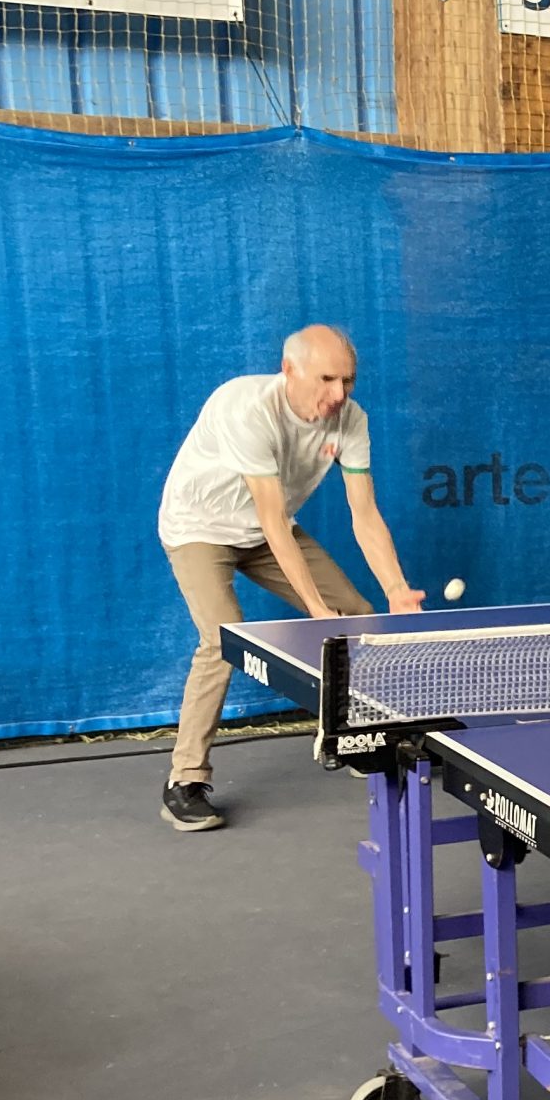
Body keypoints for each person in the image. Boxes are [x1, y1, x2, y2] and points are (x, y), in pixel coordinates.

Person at [156, 324, 423, 831]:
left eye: (347, 380)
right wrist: (316, 611)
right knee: (221, 638)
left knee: (358, 616)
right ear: (289, 371)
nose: (338, 393)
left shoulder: (351, 419)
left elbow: (364, 513)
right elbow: (273, 519)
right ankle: (184, 780)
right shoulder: (247, 408)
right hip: (199, 529)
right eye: (326, 379)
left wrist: (395, 587)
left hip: (266, 531)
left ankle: (351, 736)